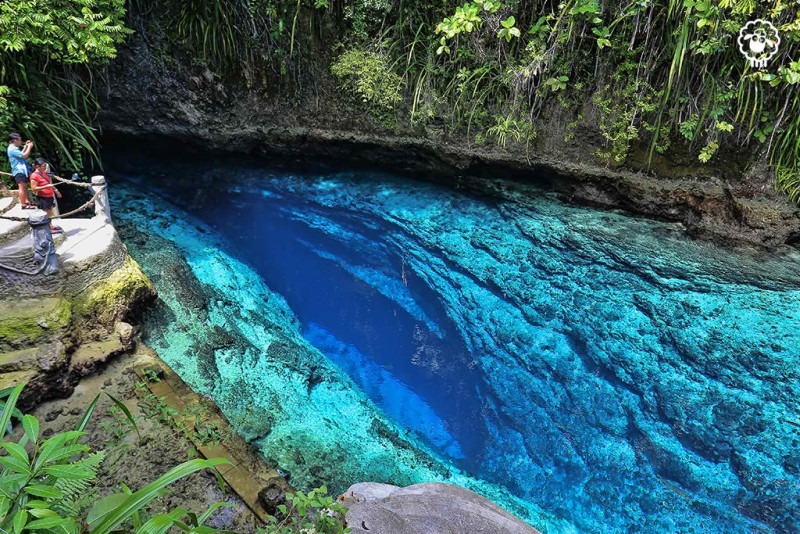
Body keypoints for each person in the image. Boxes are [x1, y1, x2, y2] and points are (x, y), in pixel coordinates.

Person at [29, 158, 62, 234]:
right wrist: (45, 187)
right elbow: (34, 188)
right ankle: (48, 229)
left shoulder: (44, 173)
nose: (45, 167)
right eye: (43, 166)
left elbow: (48, 183)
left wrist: (56, 191)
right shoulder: (34, 176)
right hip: (43, 197)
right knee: (46, 213)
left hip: (49, 195)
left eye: (45, 166)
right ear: (37, 166)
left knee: (50, 212)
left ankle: (50, 225)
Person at [6, 132, 35, 209]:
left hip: (22, 170)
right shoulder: (12, 149)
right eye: (20, 140)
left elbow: (20, 155)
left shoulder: (14, 148)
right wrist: (29, 147)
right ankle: (23, 204)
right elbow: (24, 156)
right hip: (19, 171)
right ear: (15, 140)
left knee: (24, 186)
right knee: (22, 187)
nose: (20, 142)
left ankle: (26, 201)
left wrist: (25, 147)